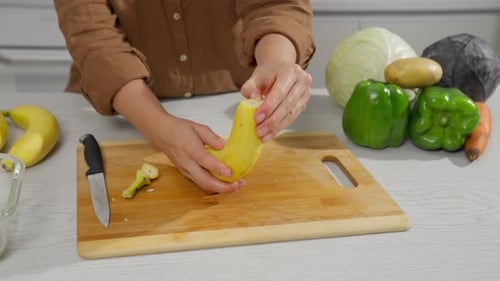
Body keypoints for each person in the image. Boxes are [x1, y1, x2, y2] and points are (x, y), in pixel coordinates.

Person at [54, 0, 316, 194]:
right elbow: (93, 39)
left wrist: (278, 62)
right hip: (123, 104)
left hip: (232, 90)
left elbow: (278, 5)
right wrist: (157, 126)